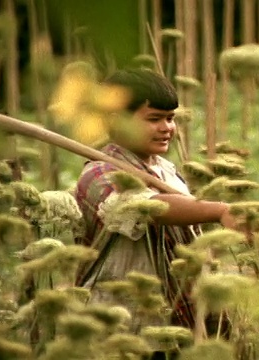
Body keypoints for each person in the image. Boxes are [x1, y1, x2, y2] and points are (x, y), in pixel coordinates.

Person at [72, 68, 235, 357]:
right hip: (121, 325)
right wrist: (219, 210)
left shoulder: (166, 170)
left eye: (170, 118)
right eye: (154, 119)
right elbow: (149, 208)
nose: (167, 128)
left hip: (170, 317)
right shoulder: (98, 174)